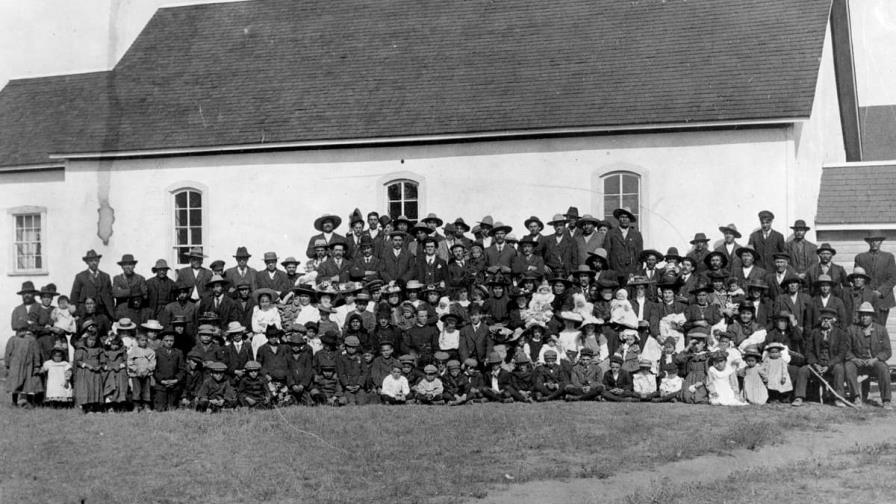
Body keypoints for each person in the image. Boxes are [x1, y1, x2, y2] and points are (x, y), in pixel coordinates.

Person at [844, 302, 893, 409]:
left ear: (872, 316)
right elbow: (846, 350)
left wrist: (875, 359)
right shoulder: (851, 329)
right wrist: (854, 359)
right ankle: (856, 397)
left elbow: (887, 351)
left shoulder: (881, 330)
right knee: (848, 366)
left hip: (874, 362)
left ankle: (886, 400)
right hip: (858, 362)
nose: (864, 317)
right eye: (862, 314)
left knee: (884, 368)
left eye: (867, 314)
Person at [853, 232, 896, 325]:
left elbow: (893, 278)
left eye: (877, 240)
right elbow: (857, 277)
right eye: (872, 241)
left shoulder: (889, 257)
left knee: (880, 327)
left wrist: (880, 291)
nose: (874, 243)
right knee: (863, 325)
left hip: (883, 299)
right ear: (868, 242)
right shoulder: (860, 257)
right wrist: (868, 292)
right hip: (865, 297)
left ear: (881, 242)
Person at [5, 329, 44, 408]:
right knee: (15, 383)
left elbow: (36, 353)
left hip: (29, 366)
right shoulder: (13, 340)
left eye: (24, 331)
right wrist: (7, 364)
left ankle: (29, 403)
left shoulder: (32, 340)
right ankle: (14, 402)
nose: (22, 333)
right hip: (16, 366)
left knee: (29, 384)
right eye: (20, 331)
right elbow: (8, 352)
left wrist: (37, 365)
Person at [70, 249, 115, 317]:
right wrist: (76, 313)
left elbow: (111, 296)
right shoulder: (80, 276)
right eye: (91, 261)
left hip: (103, 311)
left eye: (96, 260)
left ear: (98, 261)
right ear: (87, 262)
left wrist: (111, 311)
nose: (94, 263)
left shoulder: (106, 276)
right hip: (86, 312)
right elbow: (74, 296)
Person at [604, 207, 643, 277]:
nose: (624, 219)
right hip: (615, 273)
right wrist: (611, 271)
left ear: (630, 219)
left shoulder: (636, 234)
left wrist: (637, 272)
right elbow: (606, 255)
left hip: (631, 274)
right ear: (618, 218)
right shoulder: (611, 234)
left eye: (627, 217)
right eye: (622, 217)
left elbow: (640, 256)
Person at [153, 331, 185, 411]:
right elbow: (154, 369)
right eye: (166, 340)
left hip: (174, 384)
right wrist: (162, 380)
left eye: (171, 341)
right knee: (160, 408)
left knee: (172, 408)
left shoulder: (178, 352)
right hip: (161, 384)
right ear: (162, 341)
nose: (169, 343)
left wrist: (176, 380)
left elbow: (182, 369)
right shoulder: (157, 352)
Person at [127, 333, 156, 411]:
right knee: (137, 390)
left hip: (146, 373)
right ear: (137, 341)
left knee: (146, 390)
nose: (144, 342)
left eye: (146, 340)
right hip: (136, 374)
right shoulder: (133, 351)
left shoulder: (150, 351)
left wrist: (148, 370)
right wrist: (136, 369)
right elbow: (129, 361)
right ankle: (136, 406)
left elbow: (152, 362)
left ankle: (146, 406)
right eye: (142, 340)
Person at [102, 337, 130, 411]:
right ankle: (110, 406)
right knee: (110, 388)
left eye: (116, 345)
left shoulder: (122, 351)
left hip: (120, 372)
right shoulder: (105, 352)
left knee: (121, 388)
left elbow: (126, 360)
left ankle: (121, 406)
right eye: (113, 344)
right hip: (109, 373)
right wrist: (106, 367)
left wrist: (122, 365)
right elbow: (103, 362)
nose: (114, 346)